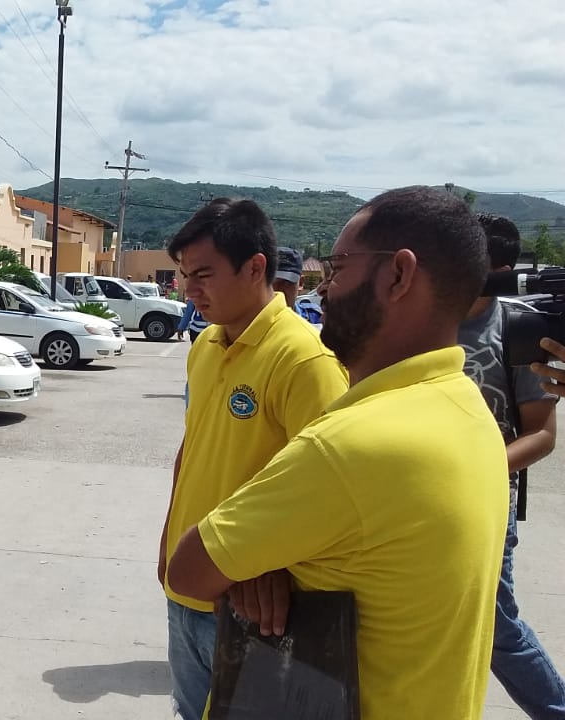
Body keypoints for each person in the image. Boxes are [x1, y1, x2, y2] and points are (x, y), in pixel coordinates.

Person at [167, 186, 509, 719]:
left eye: (338, 268)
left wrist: (255, 563)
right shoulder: (467, 409)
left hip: (264, 633)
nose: (322, 288)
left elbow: (192, 568)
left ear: (398, 275)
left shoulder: (352, 439)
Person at [157, 198, 347, 720]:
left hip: (253, 609)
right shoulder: (206, 344)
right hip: (187, 592)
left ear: (255, 267)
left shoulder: (305, 360)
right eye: (184, 275)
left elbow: (330, 492)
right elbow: (194, 446)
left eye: (203, 274)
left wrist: (276, 566)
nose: (189, 290)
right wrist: (169, 537)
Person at [459, 213, 565, 719]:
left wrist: (474, 471)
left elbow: (542, 434)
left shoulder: (519, 327)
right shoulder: (422, 321)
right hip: (417, 500)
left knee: (498, 626)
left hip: (487, 500)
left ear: (500, 272)